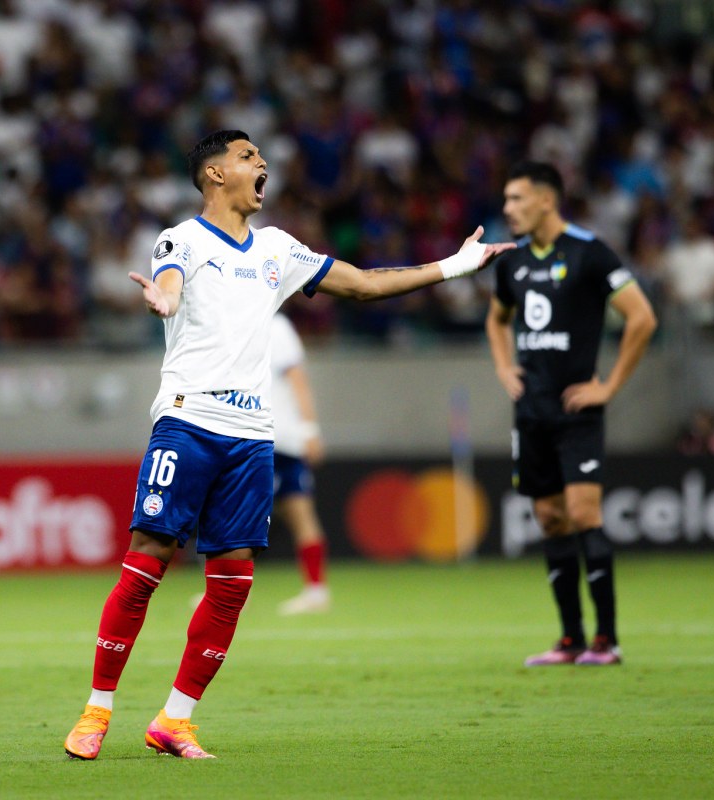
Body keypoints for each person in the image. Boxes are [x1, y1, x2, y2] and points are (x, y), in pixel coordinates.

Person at [64, 130, 511, 761]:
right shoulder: (182, 239)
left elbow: (361, 284)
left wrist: (454, 266)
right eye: (248, 157)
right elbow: (168, 282)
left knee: (233, 581)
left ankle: (175, 719)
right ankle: (96, 711)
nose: (262, 163)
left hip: (252, 438)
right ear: (216, 175)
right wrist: (162, 298)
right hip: (188, 421)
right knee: (148, 562)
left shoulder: (278, 249)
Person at [484, 161, 657, 668]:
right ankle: (570, 640)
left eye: (516, 199)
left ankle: (607, 640)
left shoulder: (590, 252)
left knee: (584, 514)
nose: (507, 208)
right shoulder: (510, 263)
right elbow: (497, 321)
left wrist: (609, 386)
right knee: (551, 519)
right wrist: (503, 367)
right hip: (531, 411)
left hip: (576, 410)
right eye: (507, 200)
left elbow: (642, 317)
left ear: (546, 200)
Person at [271, 311, 331, 615]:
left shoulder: (276, 326)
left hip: (274, 436)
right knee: (297, 511)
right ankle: (316, 589)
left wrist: (310, 430)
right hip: (264, 435)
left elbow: (298, 379)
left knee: (239, 512)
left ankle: (316, 590)